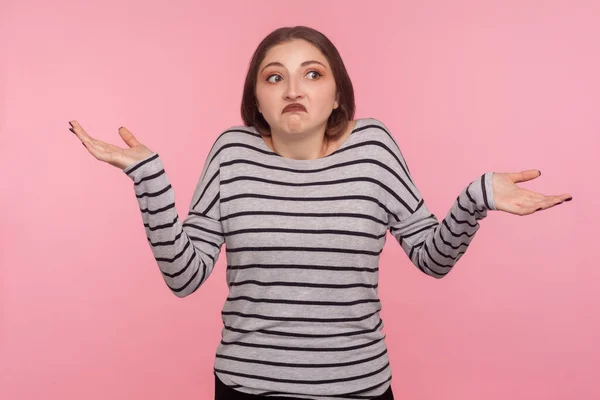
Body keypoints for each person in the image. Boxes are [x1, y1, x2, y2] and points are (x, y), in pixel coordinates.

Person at [69, 26, 572, 400]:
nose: (293, 89)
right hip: (246, 388)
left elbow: (431, 257)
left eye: (312, 74)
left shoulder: (373, 147)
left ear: (336, 97)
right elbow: (185, 277)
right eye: (274, 77)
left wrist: (476, 197)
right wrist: (147, 178)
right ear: (258, 102)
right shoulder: (232, 152)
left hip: (359, 389)